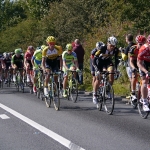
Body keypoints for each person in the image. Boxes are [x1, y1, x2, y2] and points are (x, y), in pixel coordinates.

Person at [92, 36, 119, 105]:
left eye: (114, 46)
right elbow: (94, 60)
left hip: (107, 62)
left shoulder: (115, 50)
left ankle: (108, 90)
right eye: (111, 46)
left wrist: (116, 69)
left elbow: (116, 60)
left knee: (112, 72)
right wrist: (97, 69)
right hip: (99, 63)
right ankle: (94, 94)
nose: (112, 47)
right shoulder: (102, 48)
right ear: (108, 43)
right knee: (99, 78)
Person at [128, 35, 146, 105]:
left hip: (141, 62)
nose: (141, 45)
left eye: (143, 44)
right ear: (137, 43)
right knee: (134, 74)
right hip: (133, 62)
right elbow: (131, 61)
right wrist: (133, 68)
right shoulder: (133, 49)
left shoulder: (145, 48)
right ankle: (133, 93)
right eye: (140, 44)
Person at [137, 35, 150, 111]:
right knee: (144, 80)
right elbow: (139, 63)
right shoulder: (143, 49)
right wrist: (146, 71)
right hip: (143, 63)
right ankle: (144, 102)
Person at [120, 34, 135, 99]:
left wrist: (121, 52)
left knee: (131, 79)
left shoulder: (128, 46)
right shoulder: (135, 44)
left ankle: (132, 93)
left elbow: (124, 57)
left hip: (129, 64)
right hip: (136, 63)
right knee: (135, 78)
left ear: (127, 39)